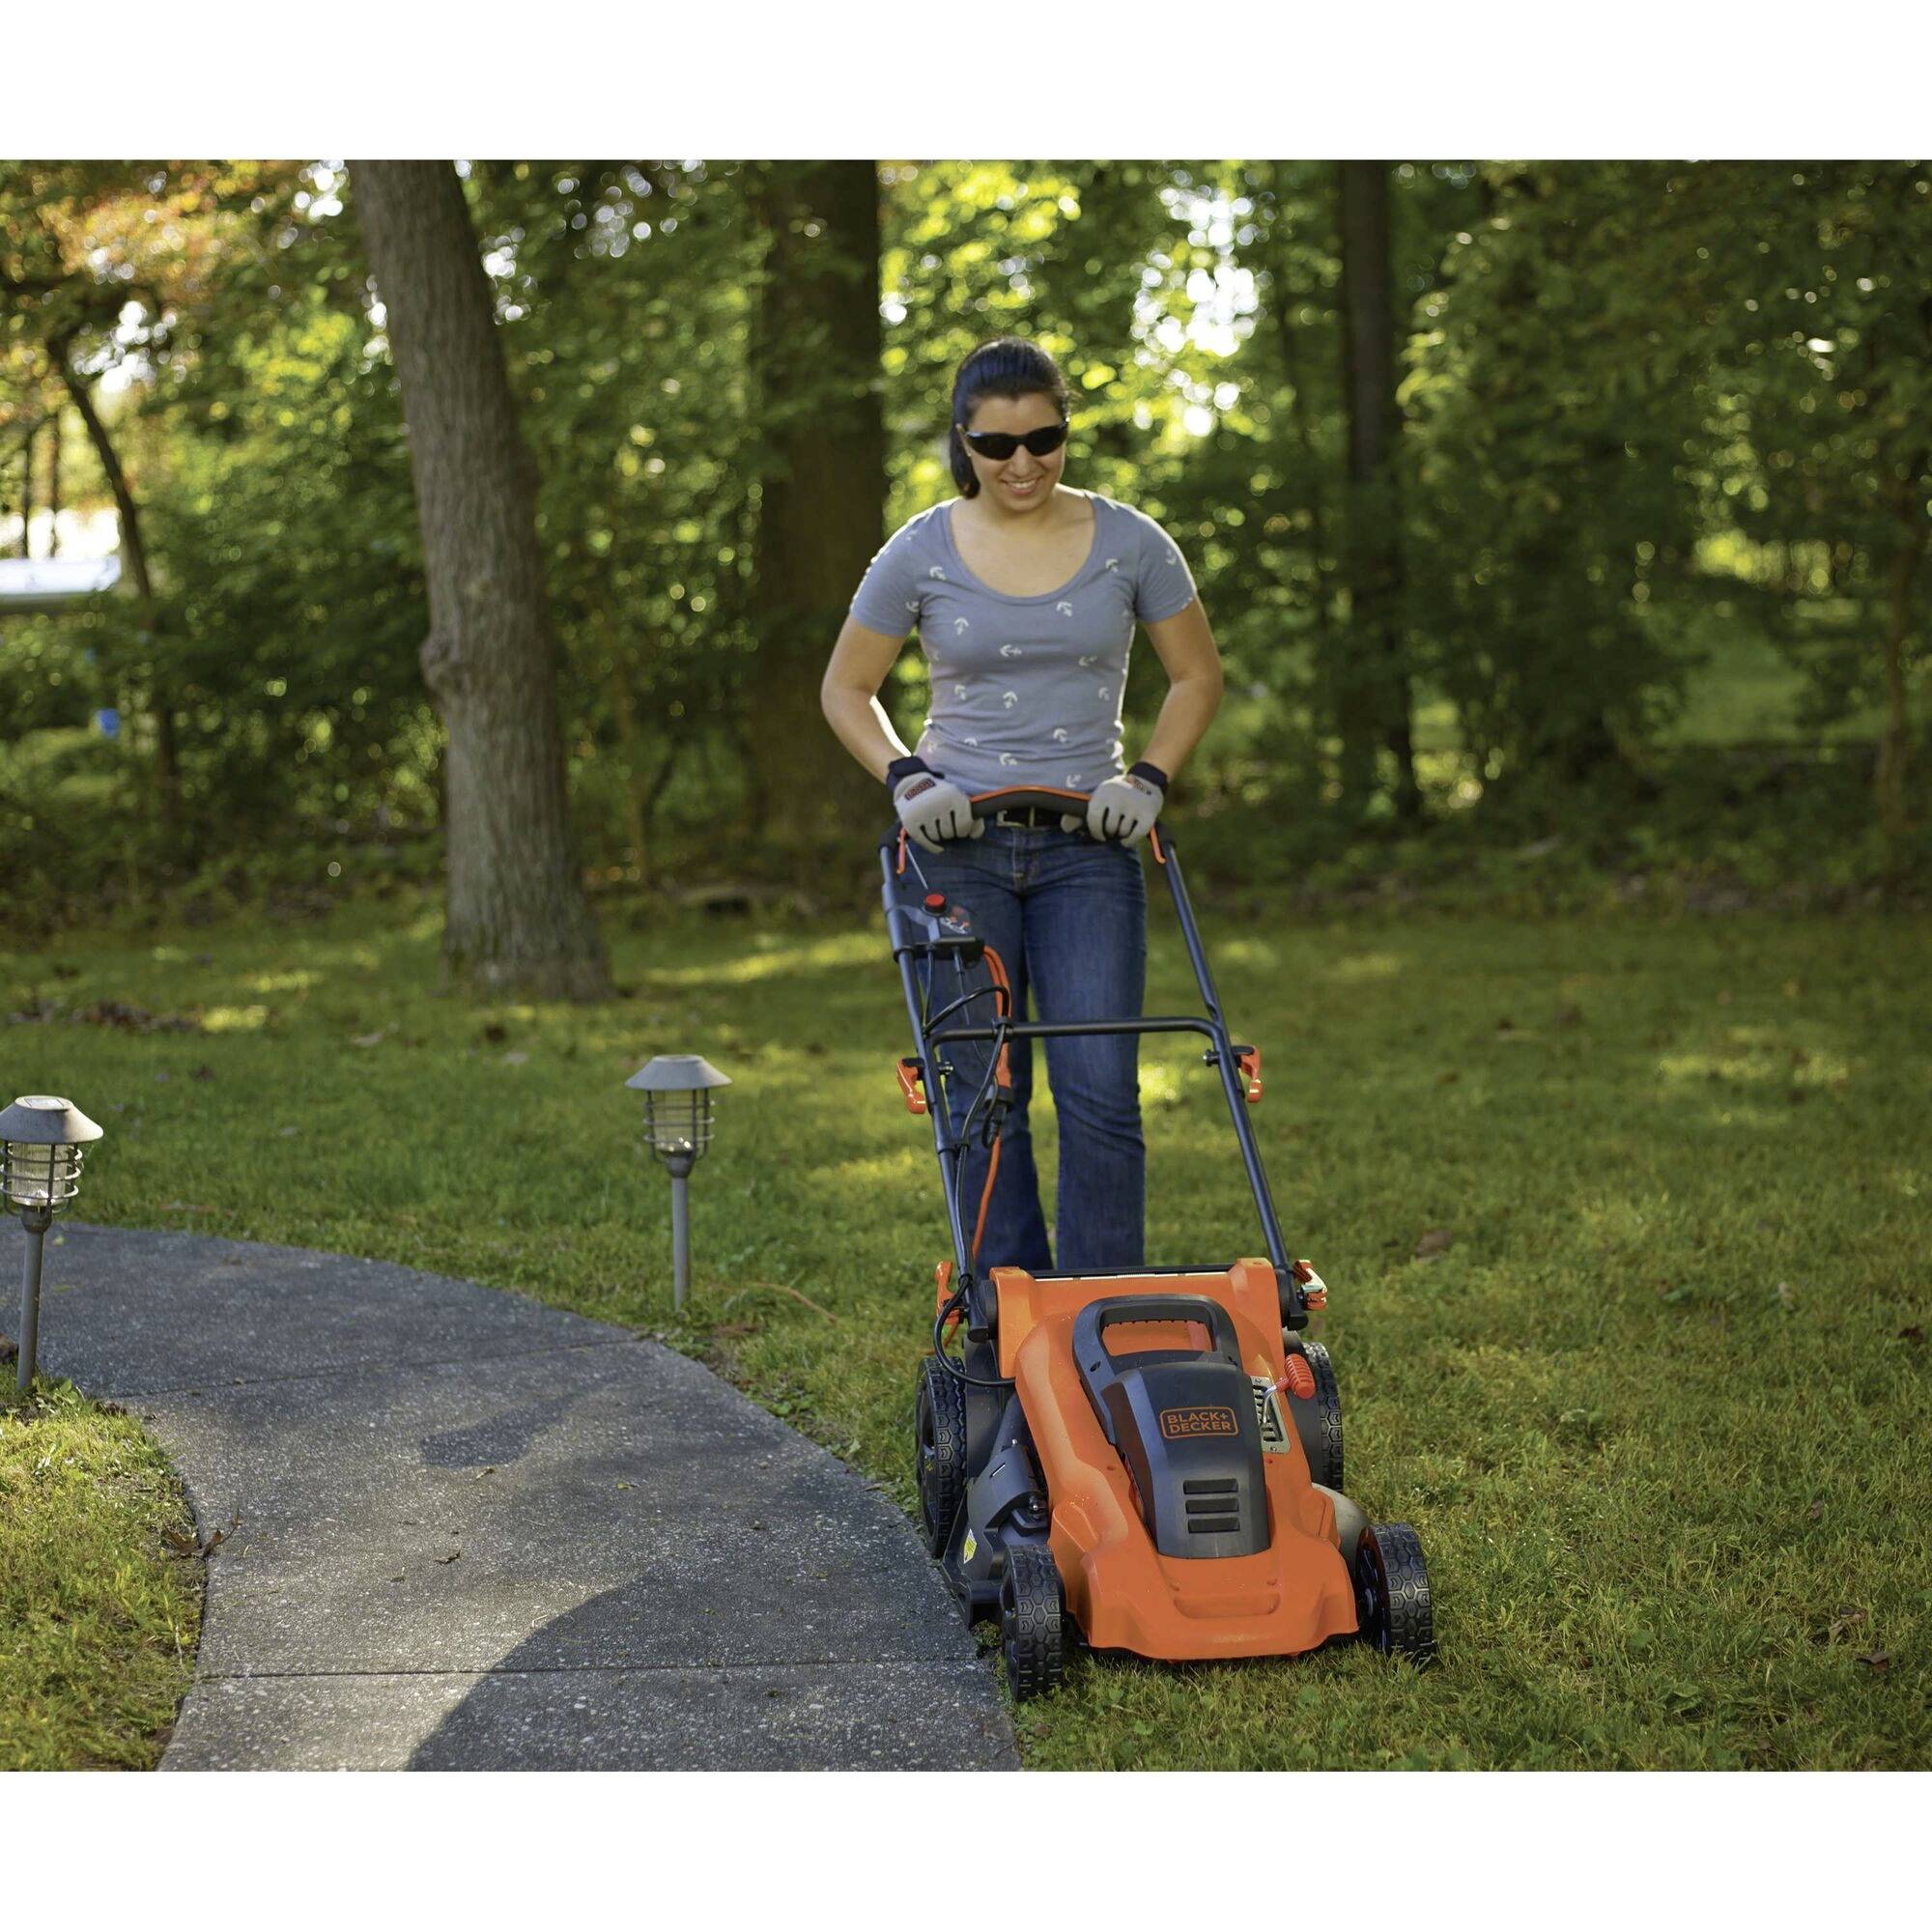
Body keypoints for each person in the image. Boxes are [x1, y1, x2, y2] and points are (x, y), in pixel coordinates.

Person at [820, 336, 1225, 1274]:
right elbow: (846, 688)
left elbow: (1196, 674)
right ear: (962, 441)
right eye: (996, 444)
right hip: (954, 847)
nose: (1021, 463)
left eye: (1042, 439)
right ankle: (1005, 1320)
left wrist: (1149, 779)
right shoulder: (918, 550)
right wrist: (904, 776)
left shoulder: (1130, 541)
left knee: (1099, 1092)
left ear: (1064, 432)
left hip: (1088, 847)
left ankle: (1096, 1313)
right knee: (980, 1094)